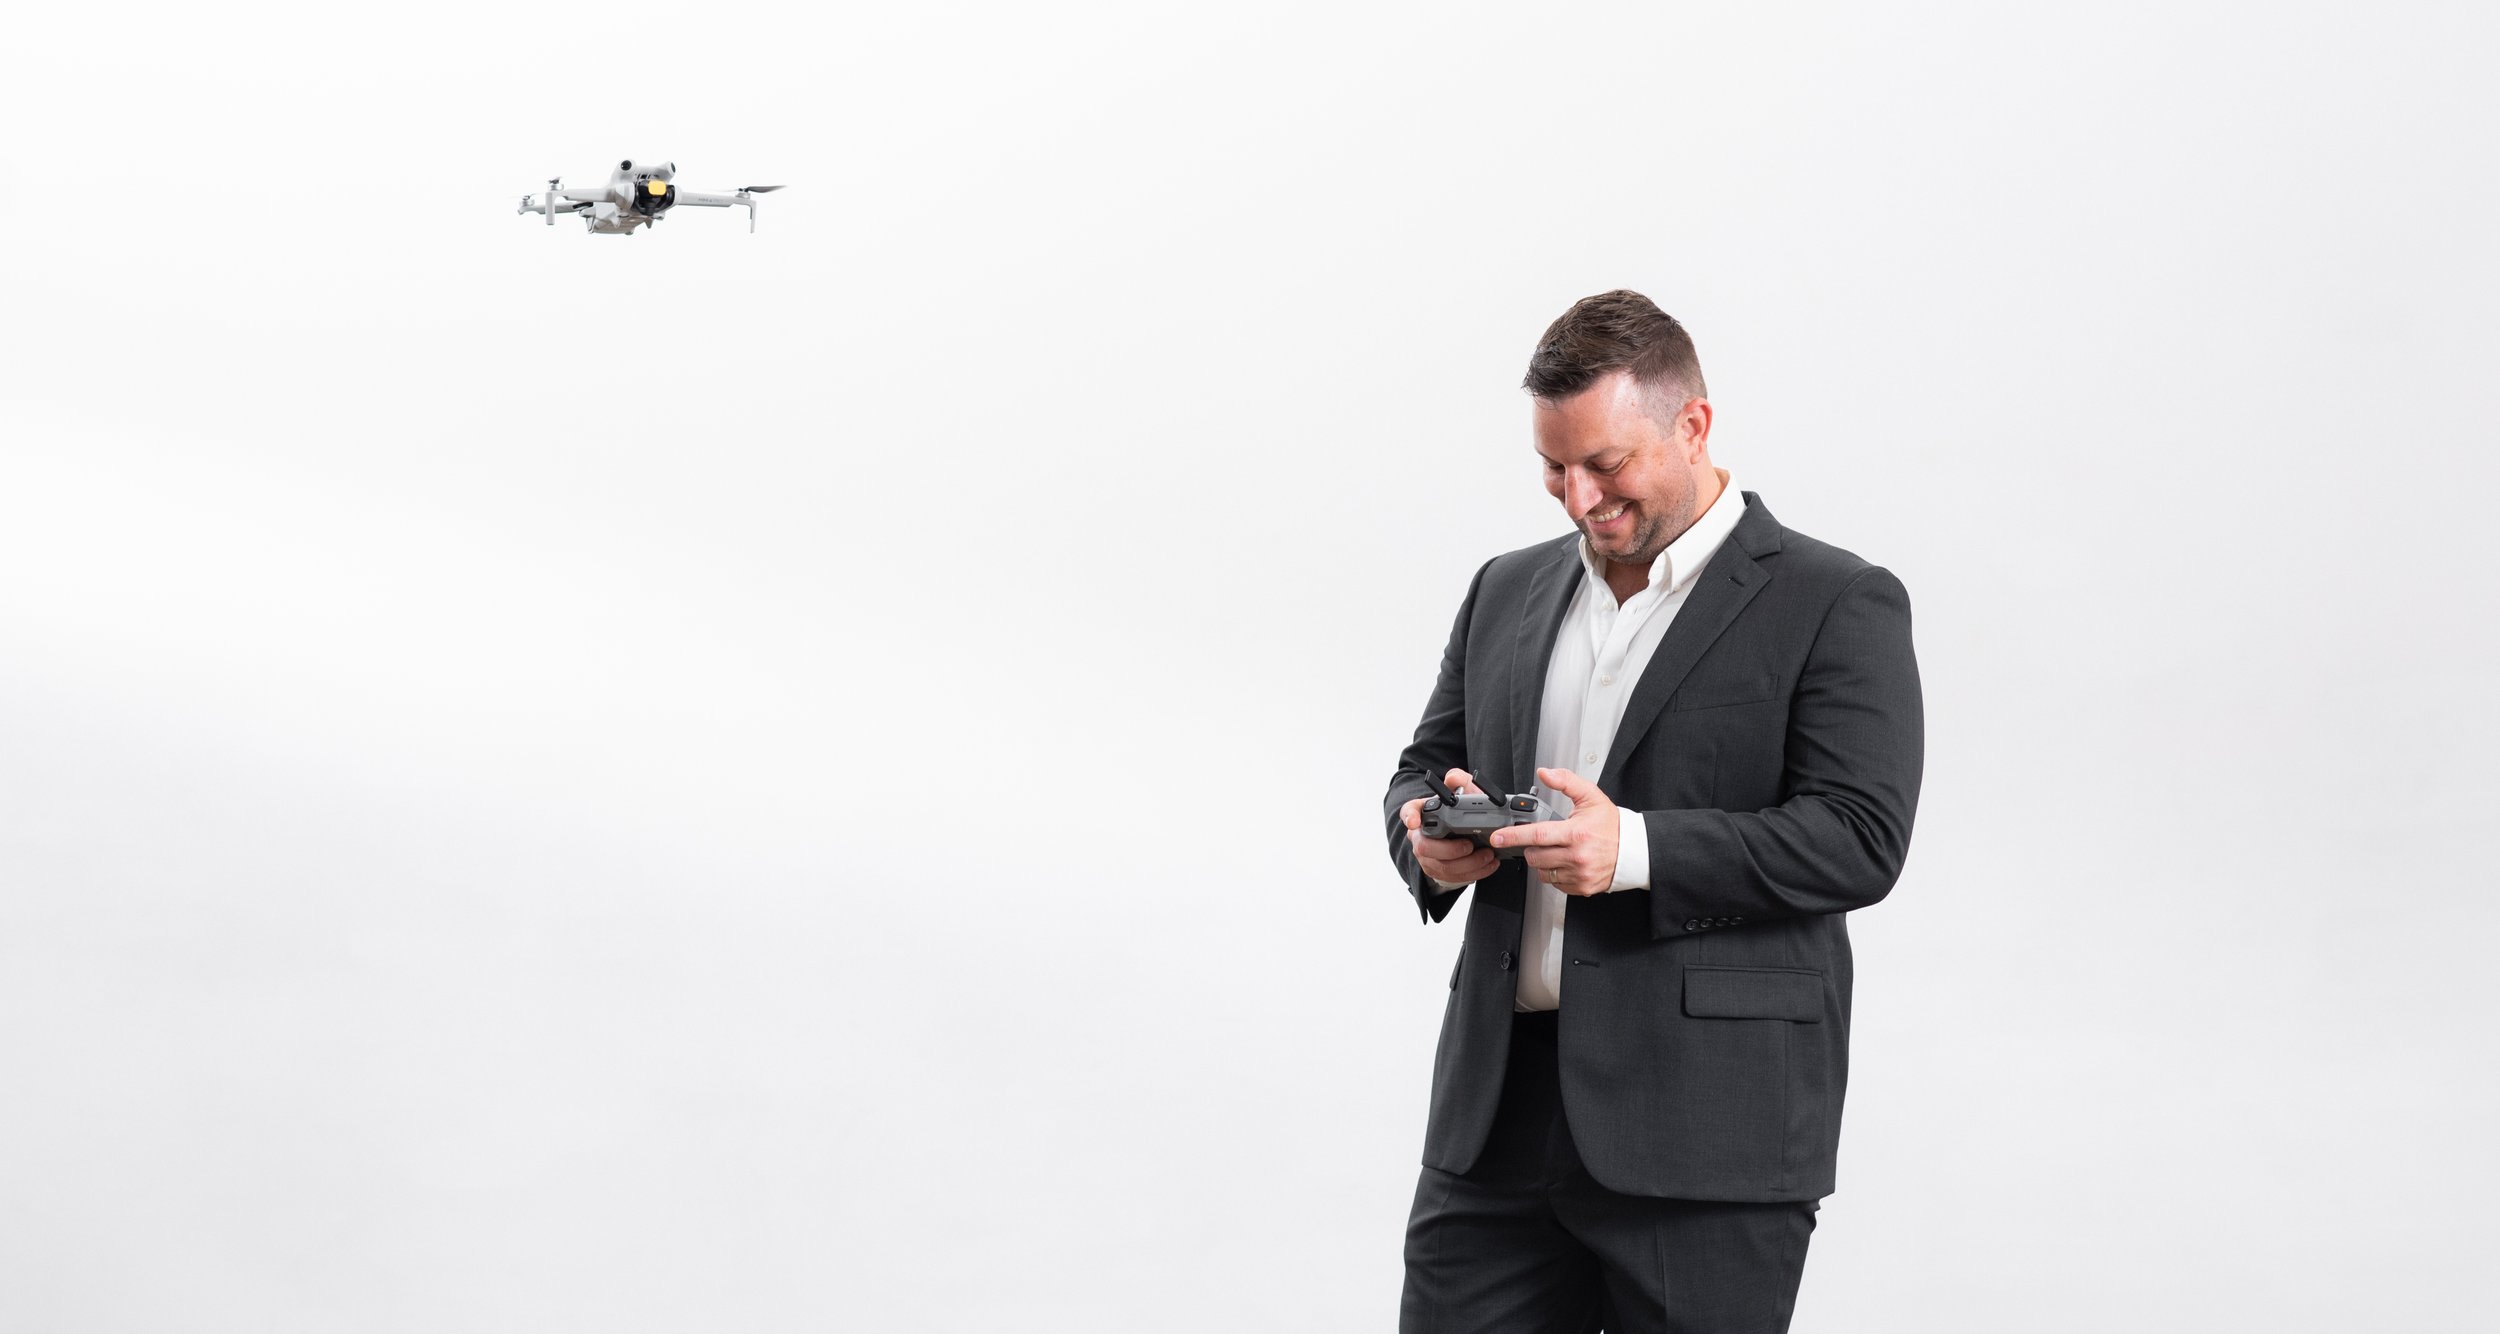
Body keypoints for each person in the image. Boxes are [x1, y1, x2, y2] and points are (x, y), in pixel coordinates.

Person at [1384, 290, 1924, 1332]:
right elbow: (1422, 768)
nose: (1579, 497)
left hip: (1708, 1127)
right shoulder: (1503, 588)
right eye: (1554, 468)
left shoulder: (1835, 600)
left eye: (1606, 463)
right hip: (1495, 1120)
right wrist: (1428, 837)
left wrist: (1632, 848)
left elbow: (1860, 836)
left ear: (1693, 425)